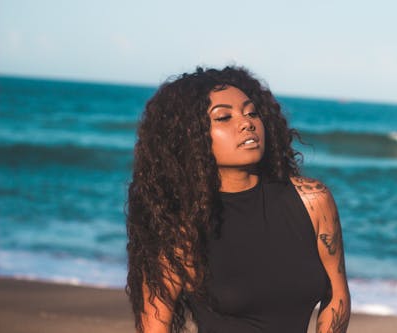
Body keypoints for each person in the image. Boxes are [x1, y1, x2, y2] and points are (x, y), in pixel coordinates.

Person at [126, 66, 350, 333]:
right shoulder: (181, 227)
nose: (247, 123)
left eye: (251, 112)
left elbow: (336, 295)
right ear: (190, 136)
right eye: (223, 117)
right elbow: (154, 326)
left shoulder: (313, 201)